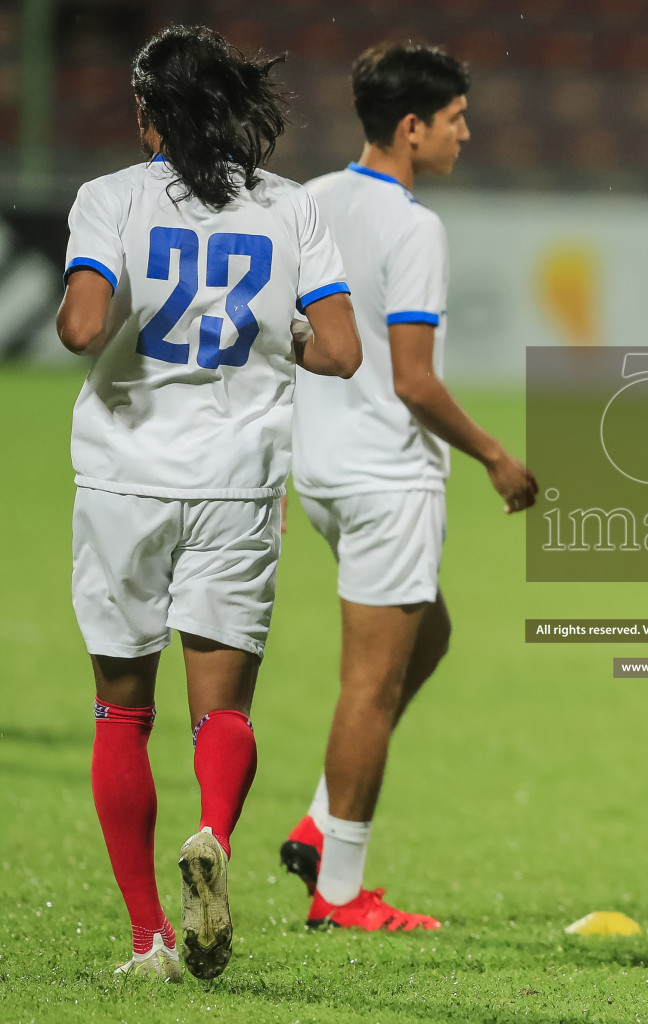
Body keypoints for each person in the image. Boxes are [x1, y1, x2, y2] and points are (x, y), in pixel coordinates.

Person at [56, 25, 361, 982]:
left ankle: (149, 939)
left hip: (123, 479)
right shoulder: (289, 206)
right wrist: (275, 338)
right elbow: (343, 350)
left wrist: (118, 302)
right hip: (237, 482)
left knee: (121, 710)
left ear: (147, 114)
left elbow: (80, 327)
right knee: (221, 709)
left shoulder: (109, 198)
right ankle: (212, 832)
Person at [280, 43, 537, 932]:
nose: (468, 134)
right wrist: (496, 455)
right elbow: (416, 382)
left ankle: (319, 818)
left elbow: (288, 339)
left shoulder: (306, 200)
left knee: (429, 635)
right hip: (386, 476)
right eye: (457, 119)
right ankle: (340, 893)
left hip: (318, 469)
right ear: (412, 126)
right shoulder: (414, 225)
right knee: (370, 685)